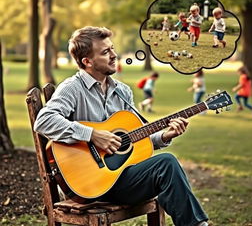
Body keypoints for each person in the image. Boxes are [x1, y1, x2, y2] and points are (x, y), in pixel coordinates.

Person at [34, 26, 209, 226]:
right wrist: (92, 134)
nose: (114, 55)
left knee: (166, 166)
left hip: (121, 178)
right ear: (87, 61)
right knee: (167, 164)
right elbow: (44, 120)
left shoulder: (122, 92)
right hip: (89, 183)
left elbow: (135, 137)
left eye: (112, 49)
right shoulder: (72, 88)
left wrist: (165, 136)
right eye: (105, 52)